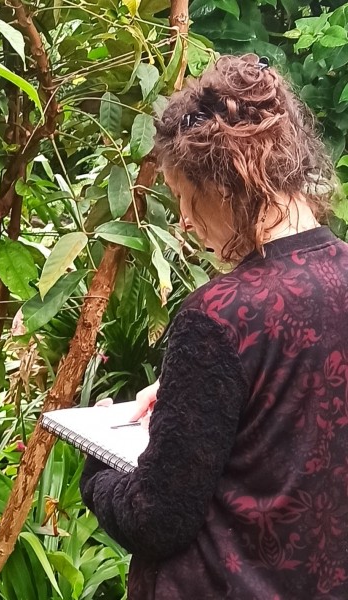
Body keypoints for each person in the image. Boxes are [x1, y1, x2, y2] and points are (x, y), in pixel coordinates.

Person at [80, 54, 348, 599]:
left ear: (228, 182)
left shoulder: (221, 314)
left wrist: (97, 461)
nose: (182, 221)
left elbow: (156, 518)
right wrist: (198, 398)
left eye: (184, 196)